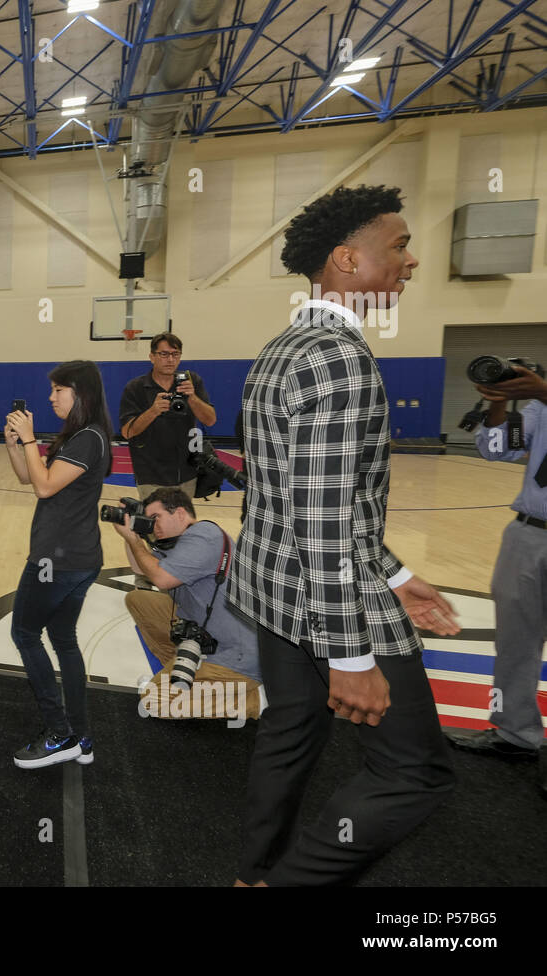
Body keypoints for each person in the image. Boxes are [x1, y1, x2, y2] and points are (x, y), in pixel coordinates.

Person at [228, 184, 458, 886]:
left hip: (273, 594)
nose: (412, 261)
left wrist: (393, 572)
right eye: (399, 246)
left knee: (292, 731)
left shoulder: (281, 347)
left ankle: (253, 871)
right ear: (346, 259)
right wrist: (351, 656)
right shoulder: (342, 357)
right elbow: (324, 521)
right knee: (414, 772)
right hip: (328, 602)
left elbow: (305, 495)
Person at [4, 360, 112, 768]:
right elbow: (30, 481)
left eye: (58, 391)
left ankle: (60, 734)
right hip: (78, 557)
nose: (50, 398)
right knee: (63, 637)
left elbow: (45, 485)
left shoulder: (87, 438)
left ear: (79, 394)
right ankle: (81, 736)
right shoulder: (82, 436)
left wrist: (30, 440)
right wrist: (16, 444)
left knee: (25, 634)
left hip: (58, 560)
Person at [445, 363, 547, 796]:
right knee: (514, 641)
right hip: (528, 532)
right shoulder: (540, 404)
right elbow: (497, 449)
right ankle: (514, 733)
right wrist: (499, 402)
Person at [113, 488, 262, 719]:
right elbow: (139, 566)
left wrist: (134, 539)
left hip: (239, 655)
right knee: (138, 599)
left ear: (180, 513)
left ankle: (257, 700)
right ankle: (180, 674)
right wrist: (132, 532)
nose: (153, 526)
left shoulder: (204, 535)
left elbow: (161, 578)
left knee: (153, 703)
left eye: (156, 519)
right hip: (209, 636)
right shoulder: (178, 544)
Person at [119, 332, 216, 501]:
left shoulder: (191, 381)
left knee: (182, 524)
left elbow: (210, 420)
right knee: (155, 525)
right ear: (152, 357)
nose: (170, 359)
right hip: (150, 475)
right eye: (164, 354)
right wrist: (153, 411)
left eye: (175, 354)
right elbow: (127, 432)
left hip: (186, 473)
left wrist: (192, 397)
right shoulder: (135, 388)